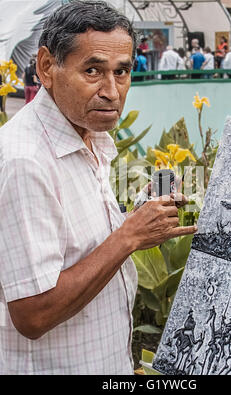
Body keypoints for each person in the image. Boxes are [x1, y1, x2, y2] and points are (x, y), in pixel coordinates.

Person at [0, 0, 197, 375]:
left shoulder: (85, 135)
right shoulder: (26, 161)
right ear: (46, 67)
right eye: (93, 70)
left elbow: (76, 245)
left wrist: (136, 219)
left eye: (122, 72)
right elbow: (33, 314)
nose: (112, 91)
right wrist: (128, 237)